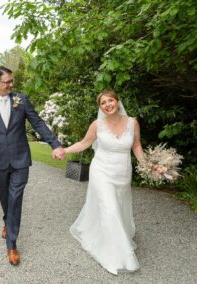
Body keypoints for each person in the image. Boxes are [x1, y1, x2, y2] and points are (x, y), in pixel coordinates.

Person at [0, 66, 65, 266]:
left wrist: (55, 143)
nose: (11, 84)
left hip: (20, 160)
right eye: (7, 82)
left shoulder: (21, 100)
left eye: (12, 81)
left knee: (15, 198)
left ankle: (11, 244)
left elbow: (38, 123)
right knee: (5, 199)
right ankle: (7, 222)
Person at [54, 90, 144, 275]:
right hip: (101, 171)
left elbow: (136, 146)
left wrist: (148, 165)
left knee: (118, 207)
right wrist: (65, 150)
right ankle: (114, 257)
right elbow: (84, 143)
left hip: (123, 172)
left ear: (118, 102)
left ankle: (112, 235)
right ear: (100, 107)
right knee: (110, 208)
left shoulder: (132, 122)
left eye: (110, 100)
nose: (107, 104)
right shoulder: (97, 125)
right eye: (103, 103)